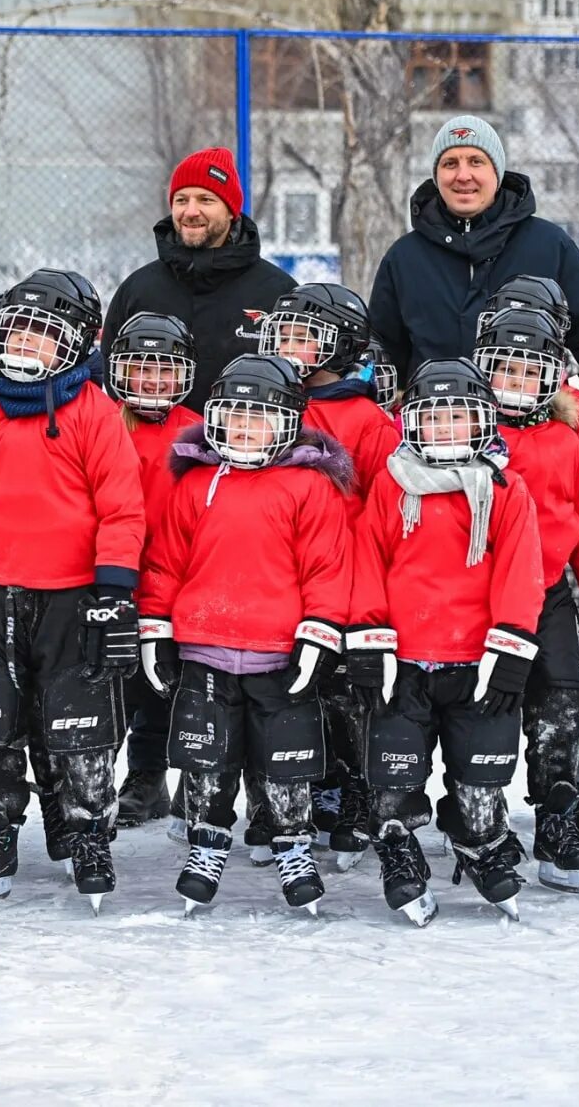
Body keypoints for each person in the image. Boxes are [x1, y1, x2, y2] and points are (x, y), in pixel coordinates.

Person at [0, 269, 145, 912]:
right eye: (17, 331)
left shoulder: (96, 414)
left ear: (74, 343)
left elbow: (122, 510)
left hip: (73, 600)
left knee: (81, 723)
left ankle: (86, 830)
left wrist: (114, 588)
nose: (25, 346)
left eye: (42, 335)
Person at [138, 354, 352, 915]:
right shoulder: (195, 483)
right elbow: (165, 563)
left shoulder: (310, 486)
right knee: (209, 761)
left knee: (286, 761)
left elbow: (327, 568)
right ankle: (206, 845)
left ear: (288, 423)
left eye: (260, 419)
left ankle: (293, 847)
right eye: (235, 417)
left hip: (279, 653)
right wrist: (156, 629)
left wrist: (319, 634)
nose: (246, 430)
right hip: (205, 649)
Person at [350, 359, 545, 925]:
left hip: (476, 665)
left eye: (458, 417)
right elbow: (368, 561)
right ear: (412, 423)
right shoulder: (391, 483)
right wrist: (369, 639)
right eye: (433, 419)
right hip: (403, 663)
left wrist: (510, 650)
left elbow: (520, 571)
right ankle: (398, 847)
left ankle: (479, 839)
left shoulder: (506, 488)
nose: (446, 429)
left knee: (480, 777)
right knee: (394, 777)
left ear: (482, 421)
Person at [472, 309, 579, 894]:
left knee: (562, 700)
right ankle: (479, 819)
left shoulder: (565, 440)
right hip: (476, 600)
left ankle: (555, 818)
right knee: (481, 710)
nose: (513, 382)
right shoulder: (462, 436)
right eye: (502, 370)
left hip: (549, 593)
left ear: (551, 379)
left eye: (527, 371)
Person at [368, 115, 579, 428]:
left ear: (497, 172)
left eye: (476, 161)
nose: (463, 175)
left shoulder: (548, 245)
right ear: (436, 174)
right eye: (450, 163)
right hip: (439, 434)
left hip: (530, 431)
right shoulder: (405, 257)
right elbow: (383, 358)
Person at [256, 282, 400, 869]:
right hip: (275, 579)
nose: (288, 347)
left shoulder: (365, 419)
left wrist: (361, 585)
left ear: (341, 345)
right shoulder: (265, 402)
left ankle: (357, 796)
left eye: (303, 337)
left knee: (347, 696)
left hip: (340, 583)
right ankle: (288, 795)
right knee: (282, 691)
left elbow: (382, 507)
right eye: (282, 334)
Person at [102, 147, 296, 407]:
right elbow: (114, 382)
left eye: (206, 199)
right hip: (154, 446)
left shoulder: (277, 291)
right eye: (181, 200)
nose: (191, 211)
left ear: (231, 210)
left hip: (246, 443)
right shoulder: (139, 289)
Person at [106, 311, 201, 829]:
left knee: (179, 685)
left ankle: (194, 776)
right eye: (141, 367)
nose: (153, 379)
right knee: (123, 686)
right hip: (119, 578)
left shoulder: (200, 431)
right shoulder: (102, 422)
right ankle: (142, 776)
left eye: (165, 369)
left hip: (183, 581)